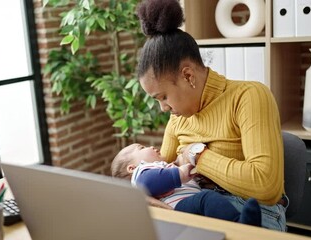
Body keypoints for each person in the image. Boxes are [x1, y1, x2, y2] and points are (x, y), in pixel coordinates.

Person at [135, 0, 287, 231]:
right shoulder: (179, 116)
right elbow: (160, 171)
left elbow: (266, 186)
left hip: (249, 209)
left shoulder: (248, 96)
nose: (163, 108)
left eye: (163, 96)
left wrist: (198, 155)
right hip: (194, 207)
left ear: (188, 76)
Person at [111, 143, 262, 227]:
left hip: (189, 206)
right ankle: (240, 224)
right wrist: (180, 174)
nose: (151, 147)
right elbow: (148, 183)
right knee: (206, 198)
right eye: (142, 148)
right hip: (179, 209)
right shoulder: (141, 174)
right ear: (132, 168)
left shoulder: (164, 168)